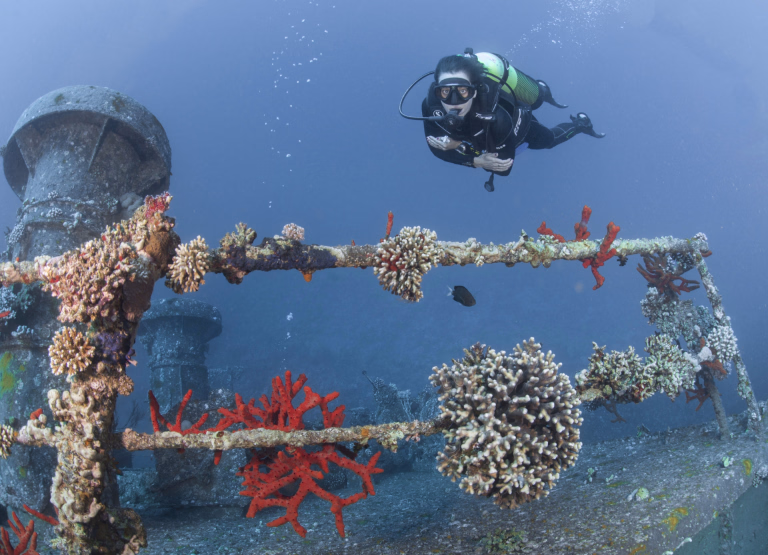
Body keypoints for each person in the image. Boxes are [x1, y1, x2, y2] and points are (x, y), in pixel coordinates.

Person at [421, 49, 604, 191]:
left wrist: (459, 147)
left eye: (462, 91)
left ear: (474, 91)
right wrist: (476, 161)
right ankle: (542, 91)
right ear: (437, 91)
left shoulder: (497, 117)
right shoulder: (431, 107)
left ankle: (580, 124)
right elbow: (435, 149)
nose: (453, 102)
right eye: (445, 92)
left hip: (518, 125)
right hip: (480, 140)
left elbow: (503, 168)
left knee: (549, 140)